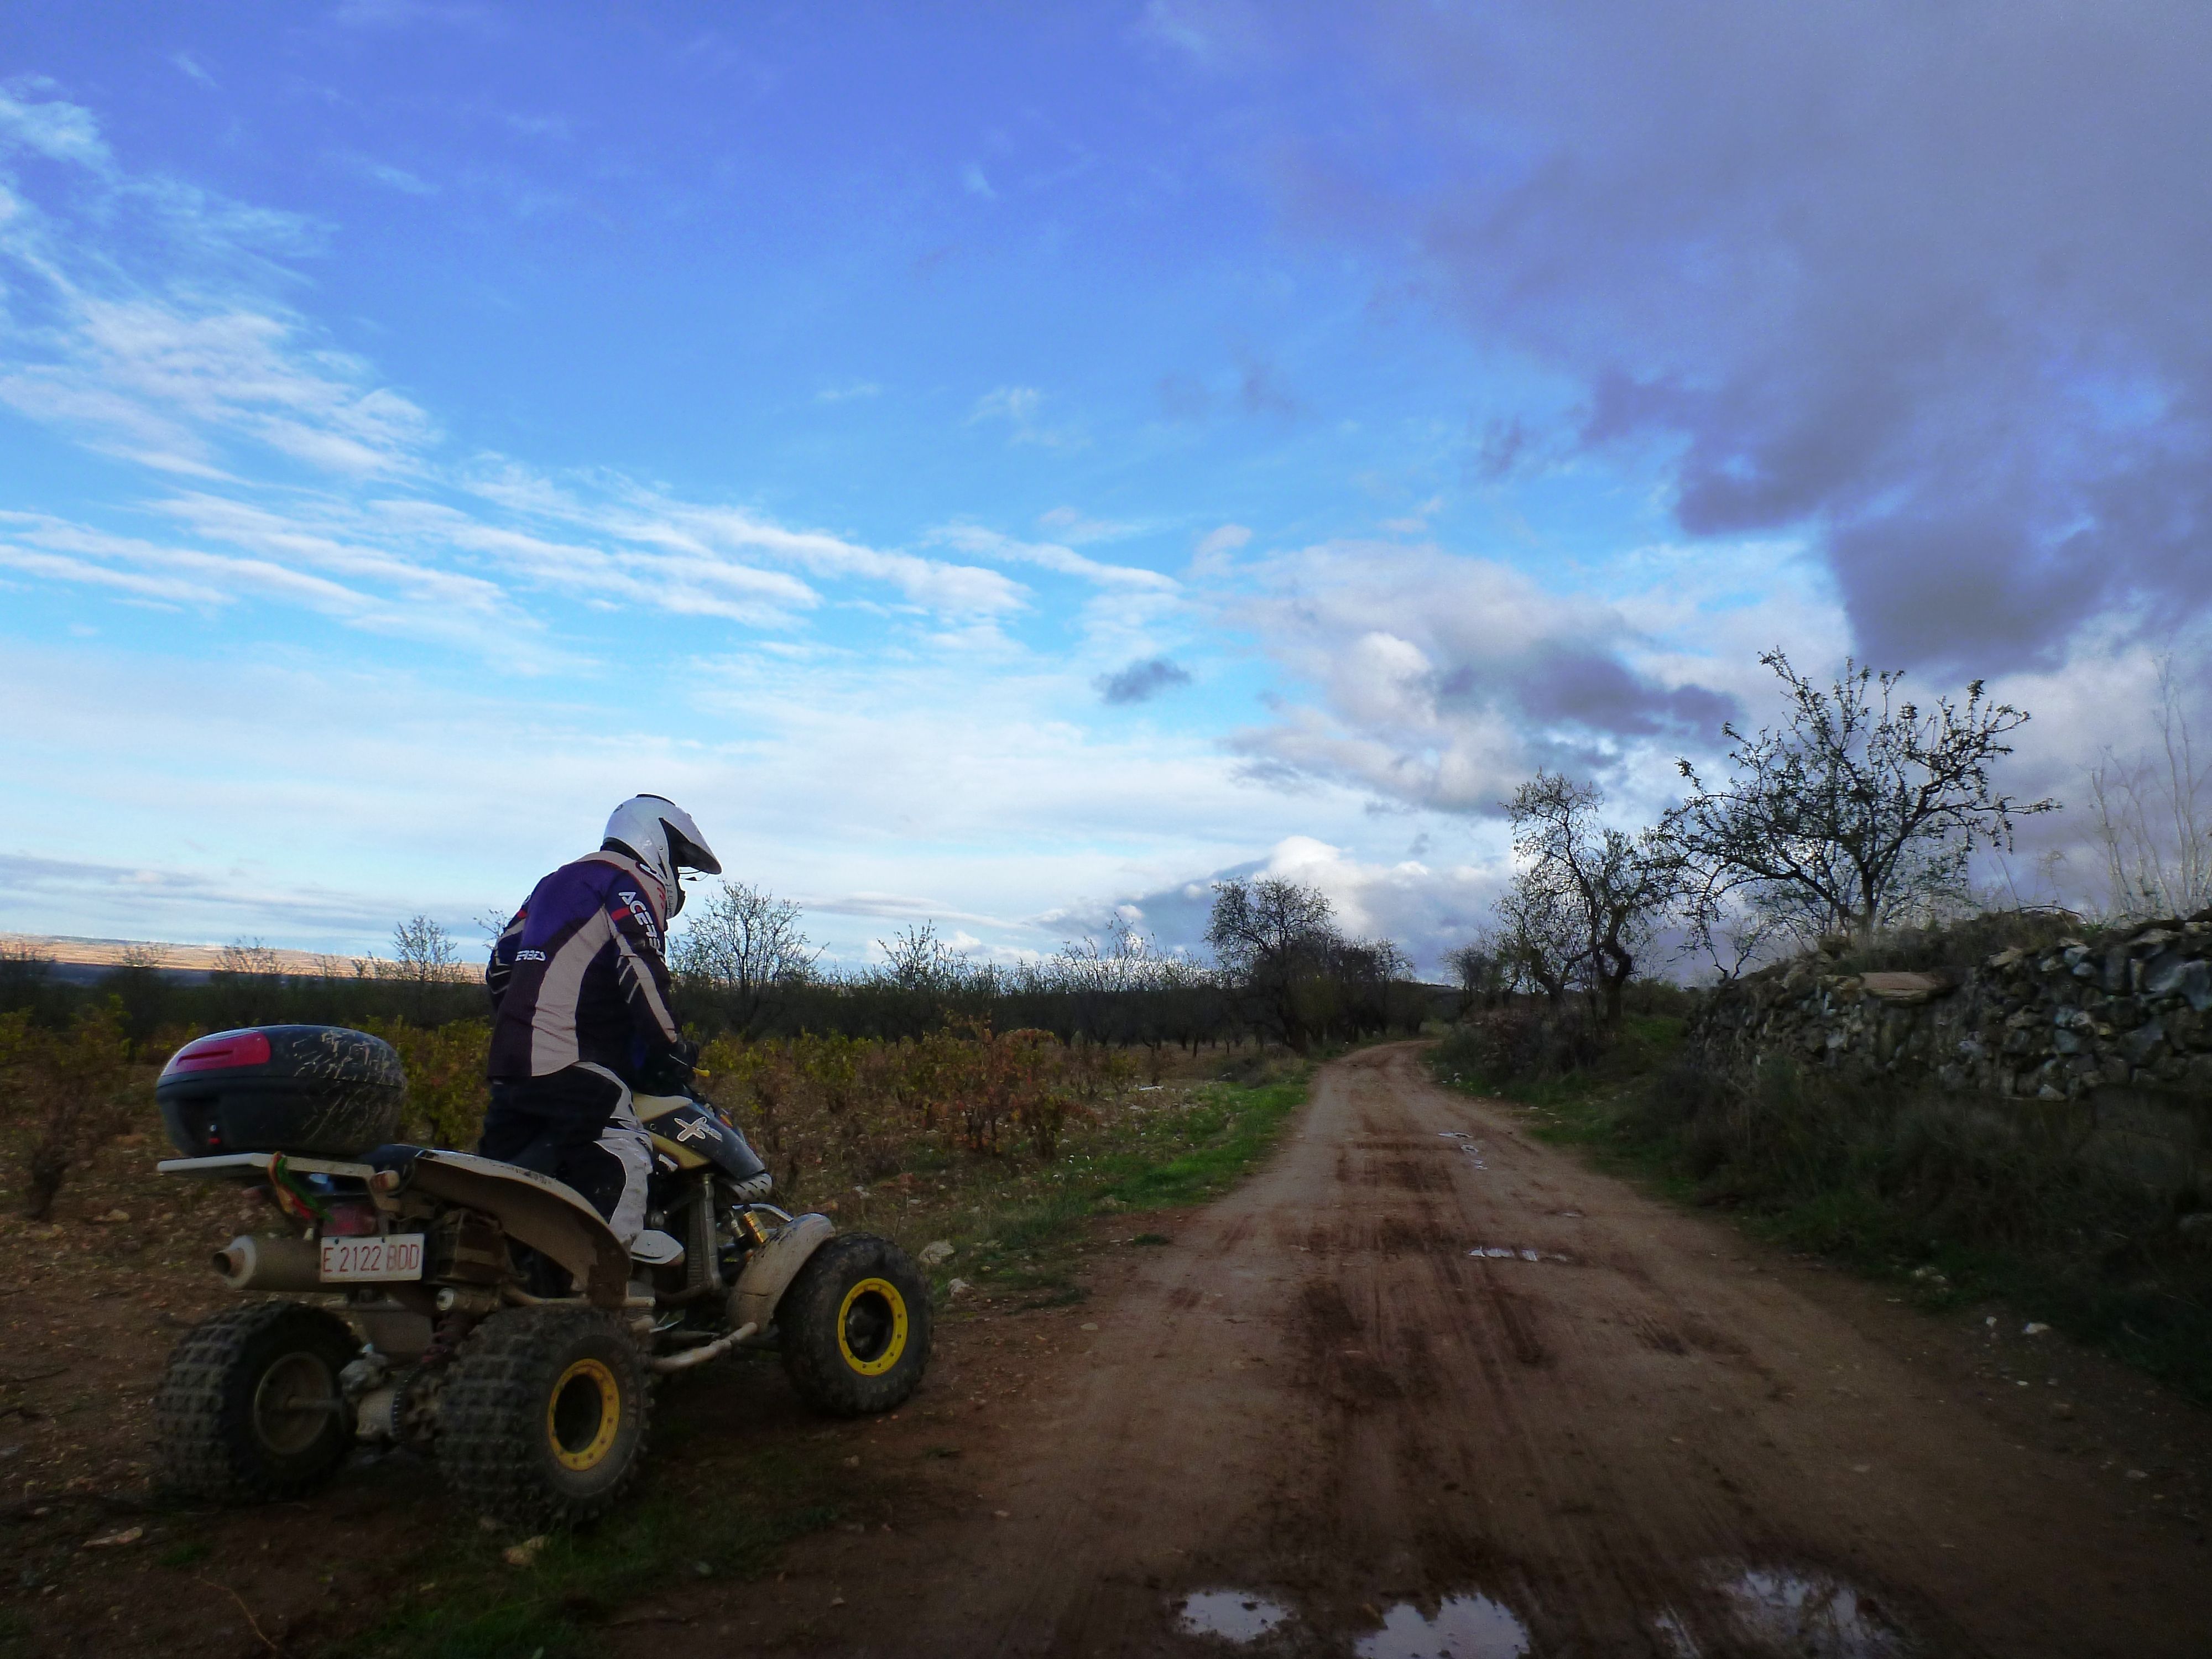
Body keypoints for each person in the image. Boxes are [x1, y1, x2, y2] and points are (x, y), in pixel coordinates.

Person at [481, 795, 721, 1248]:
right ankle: (607, 1296)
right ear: (660, 844)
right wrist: (671, 1047)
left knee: (501, 1193)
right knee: (626, 1157)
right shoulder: (628, 883)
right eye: (683, 867)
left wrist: (526, 1029)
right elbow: (641, 970)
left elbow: (499, 970)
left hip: (513, 1069)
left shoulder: (553, 882)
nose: (681, 883)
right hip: (568, 1068)